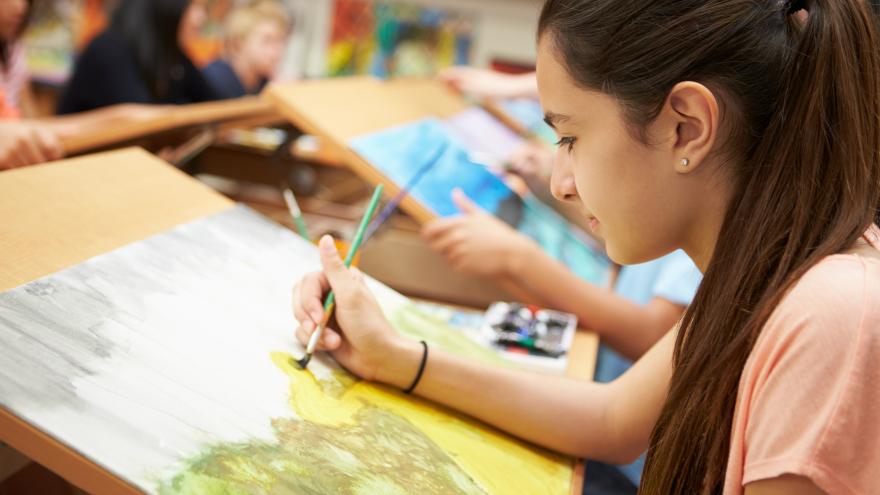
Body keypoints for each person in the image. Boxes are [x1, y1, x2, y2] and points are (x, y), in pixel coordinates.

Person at [294, 1, 880, 494]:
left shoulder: (829, 313)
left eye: (571, 137)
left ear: (688, 129)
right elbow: (614, 417)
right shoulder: (761, 274)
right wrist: (392, 357)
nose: (560, 181)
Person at [58, 0, 218, 114]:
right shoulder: (109, 49)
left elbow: (213, 103)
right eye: (193, 7)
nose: (200, 19)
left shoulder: (172, 57)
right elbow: (140, 126)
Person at [202, 0, 290, 99]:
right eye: (267, 41)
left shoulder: (267, 83)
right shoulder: (212, 80)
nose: (277, 52)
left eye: (281, 41)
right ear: (238, 44)